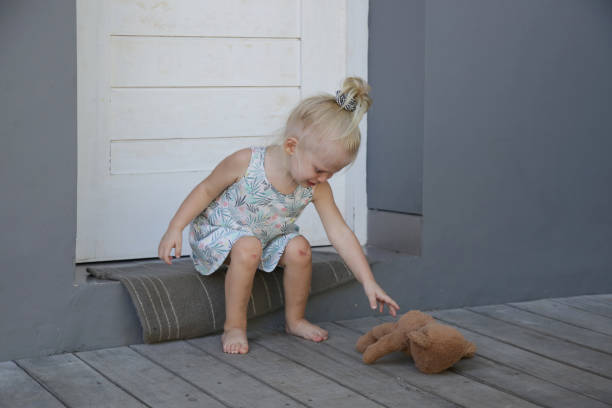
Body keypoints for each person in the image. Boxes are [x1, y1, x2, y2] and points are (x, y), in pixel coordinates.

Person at [158, 77, 400, 354]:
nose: (324, 178)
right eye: (320, 170)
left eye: (332, 173)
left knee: (300, 249)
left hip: (264, 238)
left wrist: (368, 282)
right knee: (248, 247)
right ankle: (234, 327)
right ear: (291, 147)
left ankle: (294, 320)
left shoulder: (317, 188)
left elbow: (340, 233)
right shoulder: (247, 162)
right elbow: (205, 189)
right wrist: (175, 227)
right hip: (218, 235)